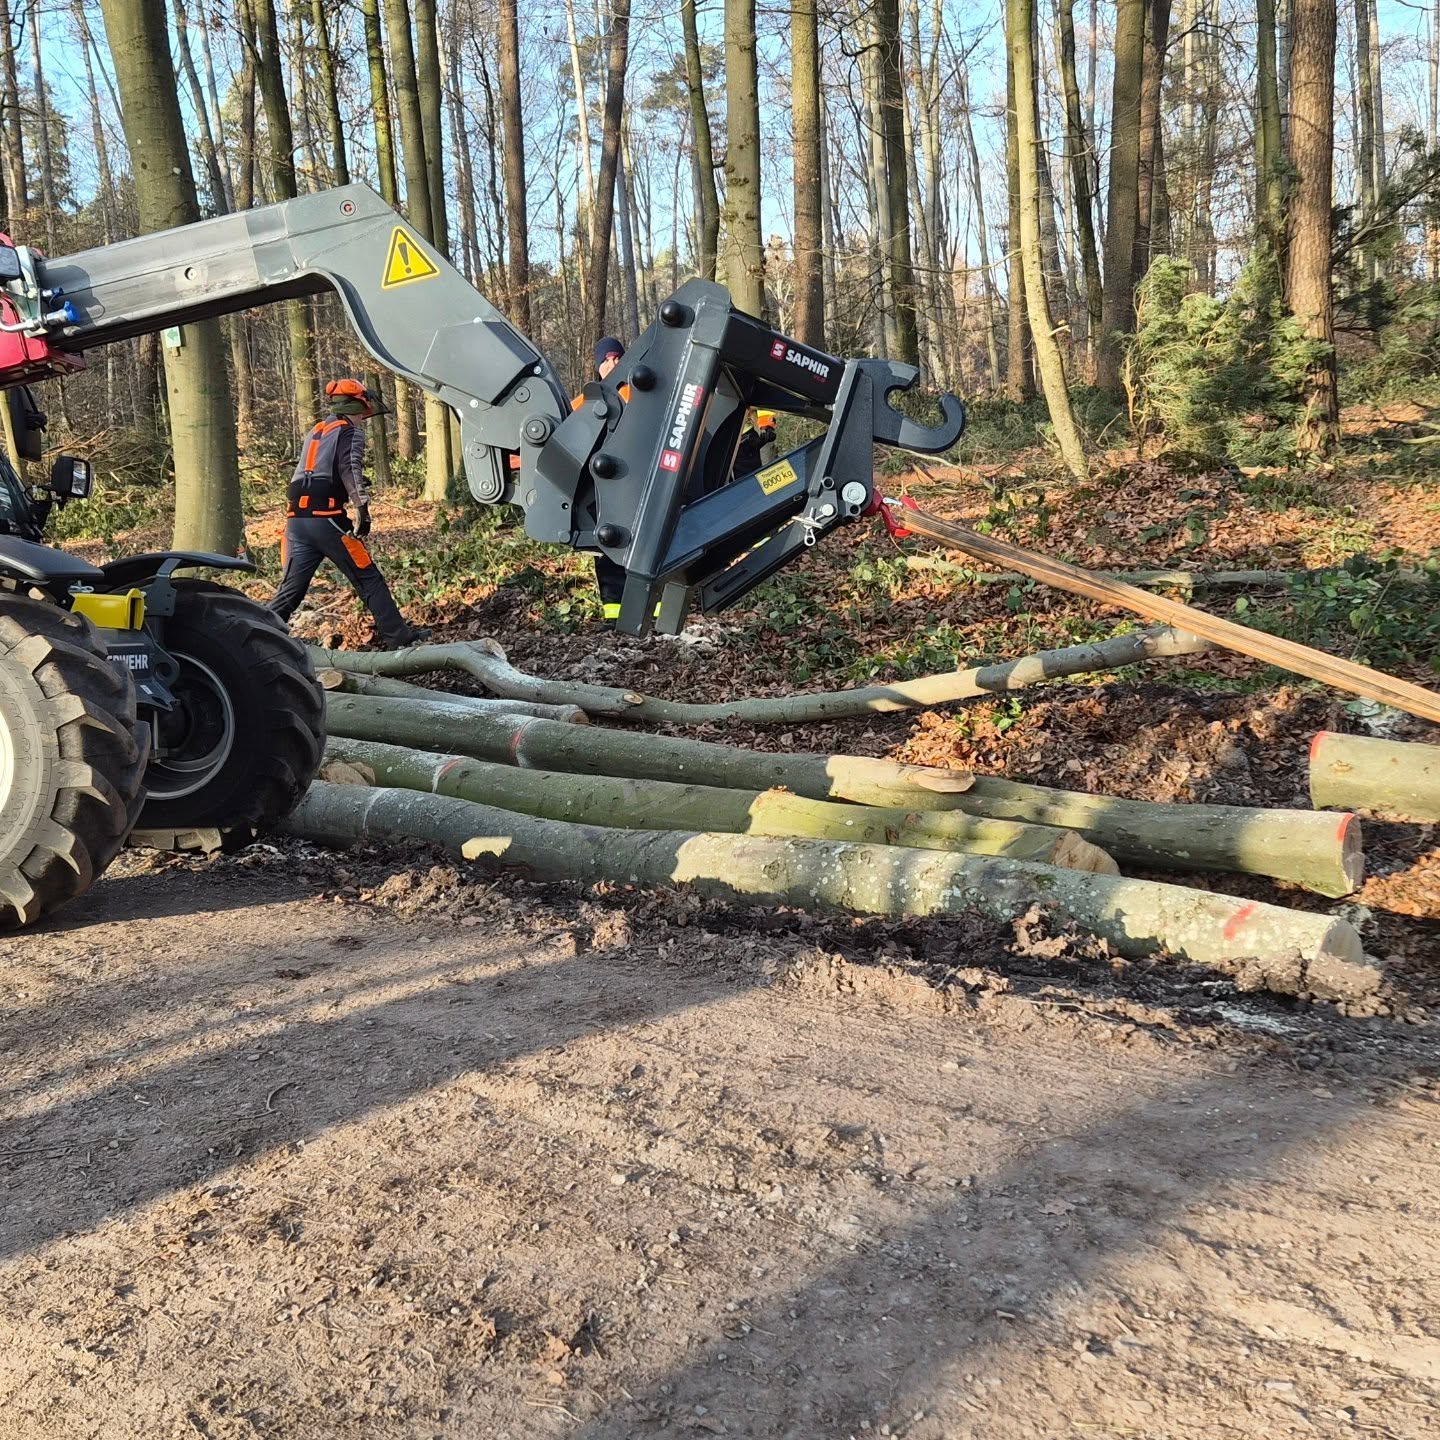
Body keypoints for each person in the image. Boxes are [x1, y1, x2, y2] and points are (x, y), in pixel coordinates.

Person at [270, 378, 427, 648]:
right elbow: (349, 468)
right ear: (358, 406)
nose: (364, 418)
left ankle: (261, 635)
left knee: (291, 591)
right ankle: (398, 638)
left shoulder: (316, 430)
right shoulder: (349, 432)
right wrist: (362, 508)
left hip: (296, 521)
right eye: (363, 412)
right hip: (327, 520)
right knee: (368, 577)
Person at [575, 337, 631, 623]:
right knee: (605, 546)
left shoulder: (640, 393)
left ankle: (647, 608)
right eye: (607, 359)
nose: (613, 363)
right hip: (598, 491)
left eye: (617, 357)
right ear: (598, 366)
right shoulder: (585, 402)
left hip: (633, 486)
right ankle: (614, 613)